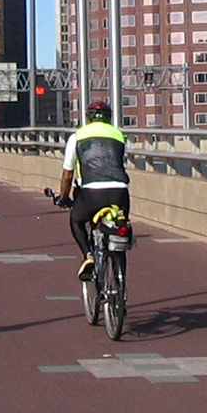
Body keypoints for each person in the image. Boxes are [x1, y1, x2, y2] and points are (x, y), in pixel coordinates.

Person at [56, 98, 129, 281]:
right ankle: (121, 282)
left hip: (91, 192)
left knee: (77, 220)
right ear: (108, 118)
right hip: (119, 191)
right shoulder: (119, 135)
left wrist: (64, 197)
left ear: (88, 118)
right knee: (121, 226)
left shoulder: (78, 136)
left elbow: (68, 174)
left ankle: (88, 255)